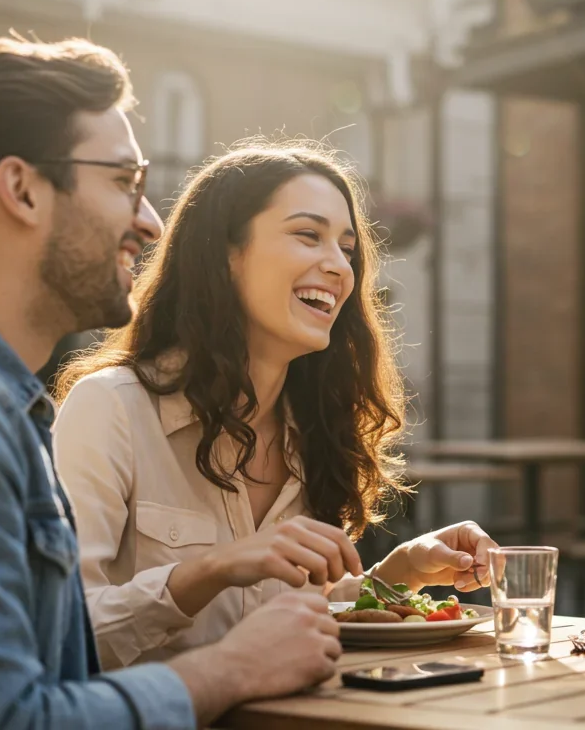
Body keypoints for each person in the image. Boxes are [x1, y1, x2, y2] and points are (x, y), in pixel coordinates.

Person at [0, 37, 340, 729]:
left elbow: (56, 672)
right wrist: (230, 668)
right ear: (21, 189)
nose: (150, 221)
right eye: (121, 182)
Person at [50, 140, 496, 668]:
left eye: (347, 248)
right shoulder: (111, 409)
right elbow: (60, 636)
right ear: (225, 256)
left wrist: (400, 574)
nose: (339, 268)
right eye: (308, 235)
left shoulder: (314, 428)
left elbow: (283, 613)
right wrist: (211, 570)